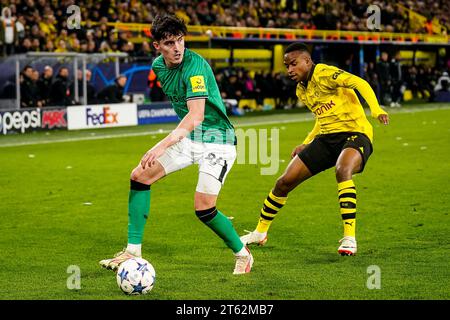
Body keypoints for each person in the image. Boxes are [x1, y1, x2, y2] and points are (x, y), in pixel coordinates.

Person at [99, 14, 253, 275]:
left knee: (203, 207)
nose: (177, 47)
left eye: (180, 40)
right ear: (157, 45)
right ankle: (132, 251)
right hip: (190, 138)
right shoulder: (158, 66)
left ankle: (243, 253)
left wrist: (162, 145)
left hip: (218, 140)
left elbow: (196, 114)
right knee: (139, 176)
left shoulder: (195, 66)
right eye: (169, 42)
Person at [240, 42, 389, 256]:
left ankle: (349, 238)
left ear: (308, 61)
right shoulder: (302, 90)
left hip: (355, 134)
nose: (289, 70)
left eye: (294, 64)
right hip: (326, 138)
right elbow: (321, 118)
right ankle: (260, 232)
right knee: (284, 182)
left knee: (343, 170)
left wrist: (375, 109)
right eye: (286, 66)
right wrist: (308, 141)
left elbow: (359, 82)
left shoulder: (325, 73)